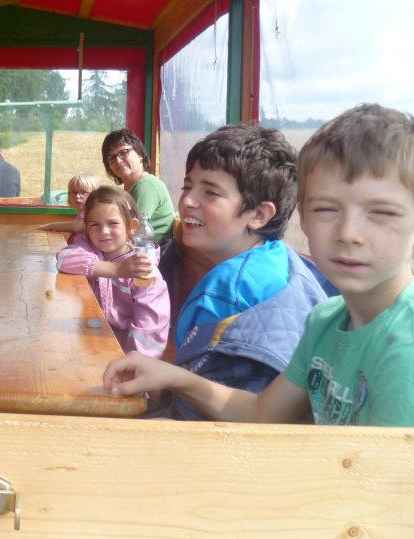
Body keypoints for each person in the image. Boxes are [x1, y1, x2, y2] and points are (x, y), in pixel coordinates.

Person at [106, 105, 414, 427]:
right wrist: (174, 377)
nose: (348, 233)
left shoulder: (404, 347)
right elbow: (262, 412)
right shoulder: (325, 321)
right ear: (303, 219)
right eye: (326, 209)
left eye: (382, 212)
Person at [126, 123, 328, 420]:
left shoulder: (226, 290)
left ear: (259, 214)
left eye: (211, 192)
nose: (188, 201)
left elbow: (195, 414)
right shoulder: (282, 258)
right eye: (187, 187)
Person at [56, 186, 170, 357]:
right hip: (87, 343)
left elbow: (150, 328)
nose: (104, 232)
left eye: (113, 223)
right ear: (86, 228)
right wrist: (116, 269)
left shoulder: (143, 270)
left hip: (124, 354)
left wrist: (131, 364)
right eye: (95, 224)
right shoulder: (87, 248)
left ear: (131, 226)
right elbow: (64, 258)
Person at [102, 129, 176, 242]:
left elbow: (134, 231)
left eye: (123, 153)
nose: (118, 160)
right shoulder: (128, 189)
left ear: (140, 154)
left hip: (153, 250)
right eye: (112, 158)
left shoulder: (146, 185)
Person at [38, 171, 99, 240]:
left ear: (95, 195)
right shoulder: (82, 213)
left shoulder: (91, 213)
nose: (77, 196)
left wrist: (51, 226)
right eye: (74, 192)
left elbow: (77, 227)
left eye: (83, 192)